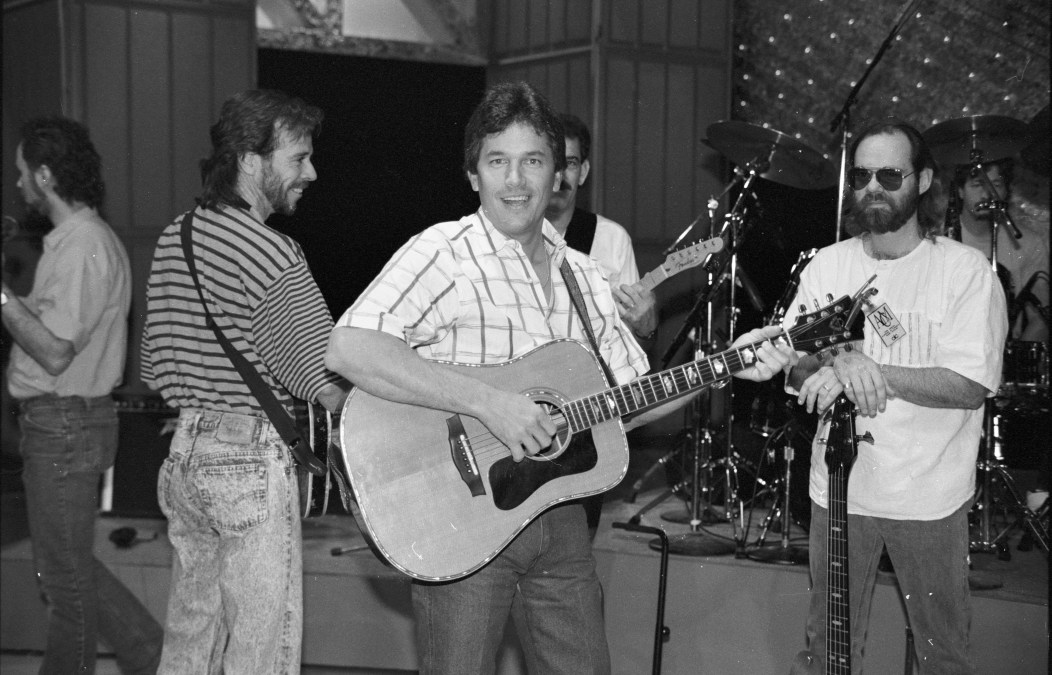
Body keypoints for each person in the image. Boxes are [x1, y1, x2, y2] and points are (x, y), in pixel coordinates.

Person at [324, 81, 791, 675]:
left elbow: (626, 406)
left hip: (561, 519)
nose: (515, 181)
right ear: (474, 175)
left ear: (560, 177)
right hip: (460, 522)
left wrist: (726, 365)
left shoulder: (588, 277)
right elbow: (349, 348)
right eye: (498, 162)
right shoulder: (444, 252)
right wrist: (492, 404)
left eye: (533, 162)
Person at [782, 119, 1008, 674]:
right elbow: (793, 366)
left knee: (943, 656)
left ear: (924, 179)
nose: (873, 187)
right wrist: (837, 360)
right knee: (827, 653)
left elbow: (970, 383)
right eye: (861, 176)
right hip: (838, 492)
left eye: (889, 173)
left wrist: (871, 370)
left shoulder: (965, 272)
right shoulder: (827, 266)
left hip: (929, 497)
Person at [140, 89, 349, 673]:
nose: (312, 172)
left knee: (190, 640)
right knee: (261, 652)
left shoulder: (173, 237)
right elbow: (324, 379)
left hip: (183, 456)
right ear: (251, 161)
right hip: (249, 468)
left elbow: (156, 366)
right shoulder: (274, 254)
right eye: (298, 158)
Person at [1, 116, 163, 673]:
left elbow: (53, 352)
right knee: (68, 570)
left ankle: (152, 656)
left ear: (45, 175)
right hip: (63, 424)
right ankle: (153, 656)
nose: (18, 183)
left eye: (23, 172)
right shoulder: (76, 244)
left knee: (66, 584)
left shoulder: (83, 247)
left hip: (64, 426)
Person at [545, 113, 658, 347]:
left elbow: (635, 350)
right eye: (552, 163)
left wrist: (645, 326)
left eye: (570, 164)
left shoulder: (612, 239)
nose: (560, 176)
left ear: (583, 172)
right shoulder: (510, 235)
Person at [952, 159, 1049, 342]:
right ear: (960, 191)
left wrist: (1011, 361)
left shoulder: (1027, 243)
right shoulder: (939, 239)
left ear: (1005, 191)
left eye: (996, 184)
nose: (987, 193)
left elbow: (1041, 318)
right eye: (977, 184)